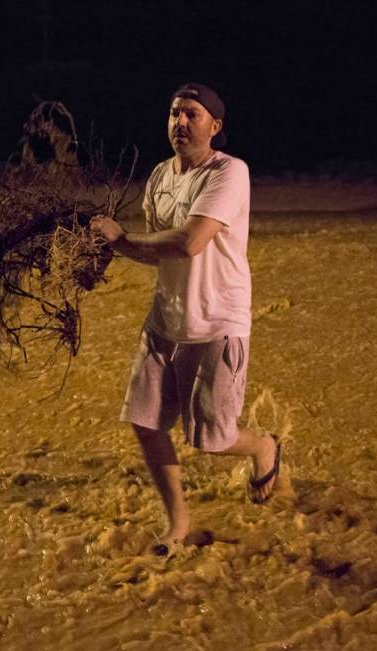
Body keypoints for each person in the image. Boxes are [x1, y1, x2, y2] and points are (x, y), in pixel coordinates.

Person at [90, 82, 281, 556]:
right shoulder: (159, 176)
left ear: (215, 126)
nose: (181, 122)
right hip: (165, 323)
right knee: (146, 422)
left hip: (217, 323)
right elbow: (160, 254)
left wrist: (120, 239)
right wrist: (100, 255)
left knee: (212, 441)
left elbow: (190, 241)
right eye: (175, 113)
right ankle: (177, 523)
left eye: (192, 114)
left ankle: (262, 448)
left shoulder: (230, 172)